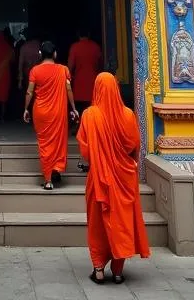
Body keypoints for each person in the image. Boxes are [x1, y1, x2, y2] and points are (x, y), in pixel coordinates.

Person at [76, 72, 151, 285]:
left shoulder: (90, 115)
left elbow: (86, 151)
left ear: (97, 89)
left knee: (98, 222)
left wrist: (102, 157)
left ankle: (98, 268)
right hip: (124, 178)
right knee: (122, 222)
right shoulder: (128, 115)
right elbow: (135, 147)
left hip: (99, 177)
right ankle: (118, 271)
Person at [24, 41, 78, 190]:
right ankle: (56, 170)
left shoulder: (35, 71)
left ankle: (48, 179)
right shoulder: (63, 70)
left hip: (40, 112)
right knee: (58, 142)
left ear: (40, 54)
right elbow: (69, 90)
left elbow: (29, 92)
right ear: (55, 54)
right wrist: (74, 108)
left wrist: (25, 109)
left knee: (44, 144)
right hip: (58, 112)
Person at [68, 30, 104, 117]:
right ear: (89, 34)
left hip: (79, 85)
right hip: (93, 83)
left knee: (81, 112)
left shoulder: (75, 47)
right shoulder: (95, 47)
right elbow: (101, 64)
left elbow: (70, 66)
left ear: (78, 35)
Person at [17, 28, 41, 95]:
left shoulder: (24, 47)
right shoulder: (39, 45)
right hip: (39, 73)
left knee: (29, 93)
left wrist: (20, 81)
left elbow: (20, 64)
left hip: (28, 73)